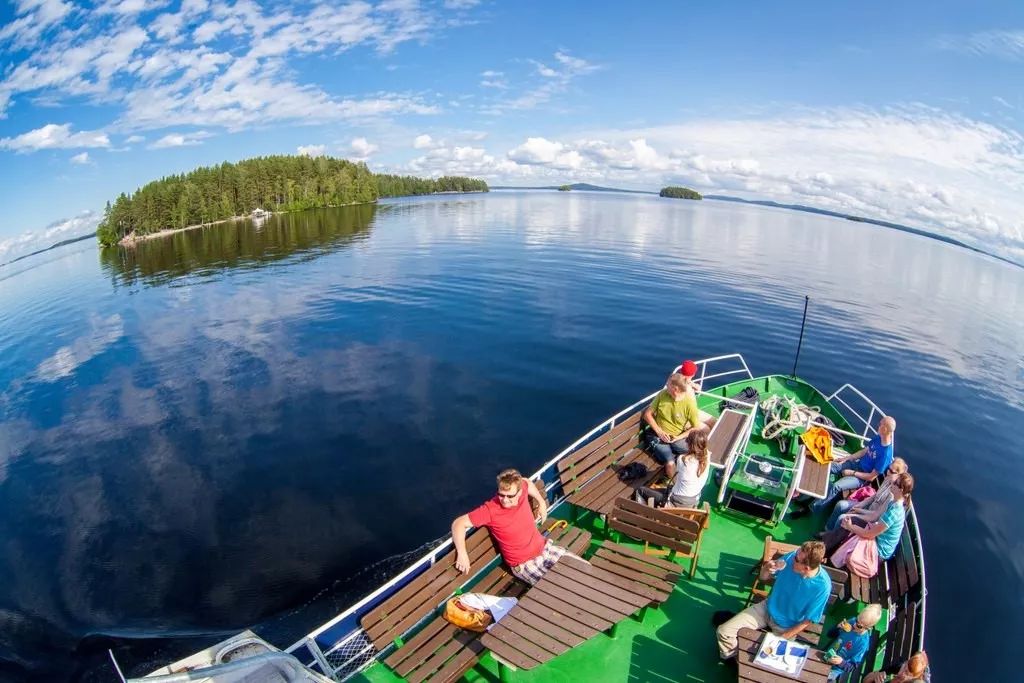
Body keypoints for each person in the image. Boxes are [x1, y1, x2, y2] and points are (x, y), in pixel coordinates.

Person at [716, 541, 831, 660]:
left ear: (806, 568)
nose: (793, 557)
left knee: (769, 659)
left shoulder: (822, 587)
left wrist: (782, 638)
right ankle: (732, 658)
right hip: (767, 608)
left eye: (796, 559)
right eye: (797, 552)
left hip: (787, 625)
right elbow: (763, 578)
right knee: (724, 632)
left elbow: (808, 621)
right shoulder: (792, 556)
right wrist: (766, 569)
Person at [451, 468, 569, 585]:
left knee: (583, 568)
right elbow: (458, 524)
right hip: (525, 564)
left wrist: (541, 502)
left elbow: (526, 482)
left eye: (510, 496)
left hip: (545, 549)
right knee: (560, 586)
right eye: (501, 495)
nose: (505, 500)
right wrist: (462, 553)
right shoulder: (490, 510)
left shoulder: (522, 486)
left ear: (520, 492)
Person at [802, 416, 896, 516]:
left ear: (885, 429)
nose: (878, 425)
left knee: (836, 486)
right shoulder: (878, 438)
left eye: (881, 424)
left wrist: (852, 473)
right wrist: (847, 458)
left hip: (862, 478)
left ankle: (812, 509)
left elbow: (871, 477)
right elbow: (864, 451)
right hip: (856, 464)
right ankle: (805, 494)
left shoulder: (886, 455)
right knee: (828, 466)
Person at [643, 361, 712, 479]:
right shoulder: (662, 395)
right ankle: (672, 487)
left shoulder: (689, 403)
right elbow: (647, 415)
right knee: (670, 463)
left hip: (677, 437)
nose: (666, 386)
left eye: (669, 384)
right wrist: (659, 431)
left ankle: (693, 480)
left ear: (675, 389)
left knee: (699, 452)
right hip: (657, 436)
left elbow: (695, 427)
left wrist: (678, 437)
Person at [838, 473, 913, 563]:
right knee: (849, 520)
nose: (892, 484)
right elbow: (874, 517)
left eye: (895, 483)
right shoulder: (893, 503)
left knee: (848, 526)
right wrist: (857, 512)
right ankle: (828, 546)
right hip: (875, 537)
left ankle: (829, 552)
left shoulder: (894, 512)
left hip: (878, 550)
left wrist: (850, 527)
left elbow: (869, 534)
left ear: (900, 490)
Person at [824, 457, 908, 532]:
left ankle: (830, 538)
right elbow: (875, 496)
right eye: (888, 469)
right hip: (868, 507)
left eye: (891, 471)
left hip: (871, 518)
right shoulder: (887, 479)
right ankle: (828, 529)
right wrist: (860, 505)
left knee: (842, 518)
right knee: (841, 505)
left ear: (898, 475)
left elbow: (875, 516)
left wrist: (858, 510)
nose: (887, 472)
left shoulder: (893, 495)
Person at [634, 430, 711, 508]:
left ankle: (643, 515)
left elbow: (675, 478)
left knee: (640, 490)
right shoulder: (707, 456)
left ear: (688, 444)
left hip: (677, 502)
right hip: (694, 500)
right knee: (667, 488)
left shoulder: (683, 459)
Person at [822, 603, 882, 680]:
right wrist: (837, 627)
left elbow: (851, 667)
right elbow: (830, 634)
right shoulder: (852, 621)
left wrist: (841, 662)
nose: (854, 625)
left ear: (868, 628)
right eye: (857, 620)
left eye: (859, 626)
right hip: (826, 654)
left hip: (835, 669)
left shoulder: (862, 644)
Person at [863, 651, 930, 683]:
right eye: (904, 667)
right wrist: (875, 676)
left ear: (913, 678)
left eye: (906, 673)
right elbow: (865, 680)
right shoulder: (898, 667)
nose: (901, 673)